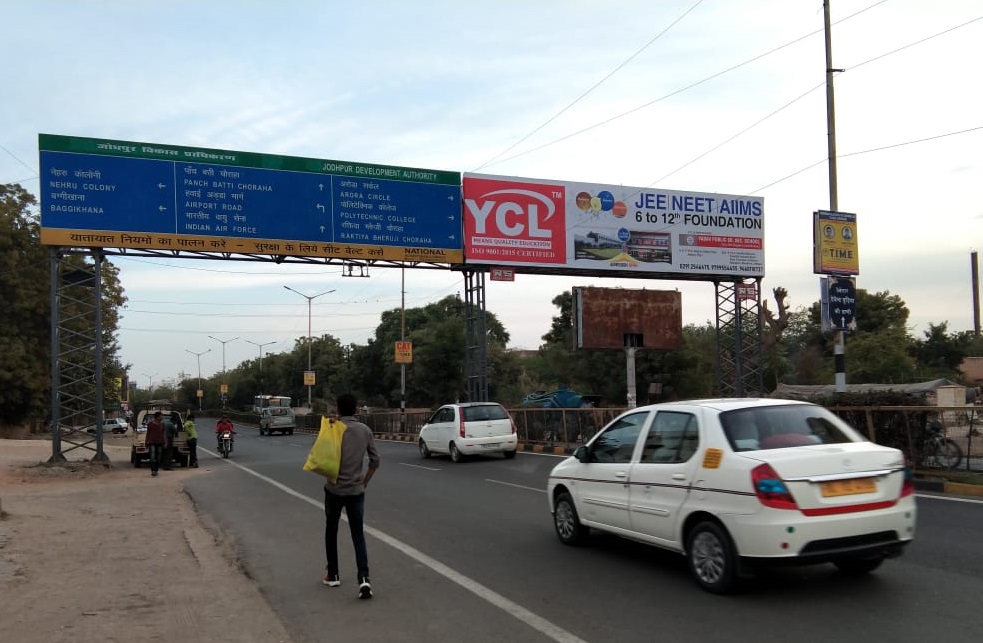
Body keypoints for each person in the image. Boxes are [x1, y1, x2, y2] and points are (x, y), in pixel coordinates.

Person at [321, 393, 380, 599]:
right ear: (356, 409)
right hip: (356, 491)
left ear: (337, 408)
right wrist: (364, 481)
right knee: (357, 534)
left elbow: (320, 455)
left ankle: (333, 574)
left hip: (334, 489)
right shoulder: (365, 430)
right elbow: (375, 460)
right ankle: (364, 579)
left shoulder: (332, 428)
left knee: (331, 530)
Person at [145, 411, 167, 477]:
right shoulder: (150, 424)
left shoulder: (162, 424)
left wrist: (165, 442)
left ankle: (156, 470)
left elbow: (164, 434)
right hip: (152, 442)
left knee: (159, 458)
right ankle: (153, 471)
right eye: (161, 416)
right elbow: (148, 433)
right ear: (157, 417)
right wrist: (146, 442)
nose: (162, 417)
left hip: (160, 442)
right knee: (152, 457)